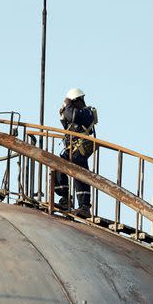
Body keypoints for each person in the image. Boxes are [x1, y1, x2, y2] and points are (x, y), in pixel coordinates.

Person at [53, 88, 98, 219]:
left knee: (80, 173)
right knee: (57, 165)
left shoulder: (86, 112)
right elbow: (66, 120)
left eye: (72, 103)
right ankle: (65, 197)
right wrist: (63, 111)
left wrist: (67, 105)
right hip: (72, 149)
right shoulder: (72, 111)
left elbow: (73, 116)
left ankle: (84, 206)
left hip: (81, 149)